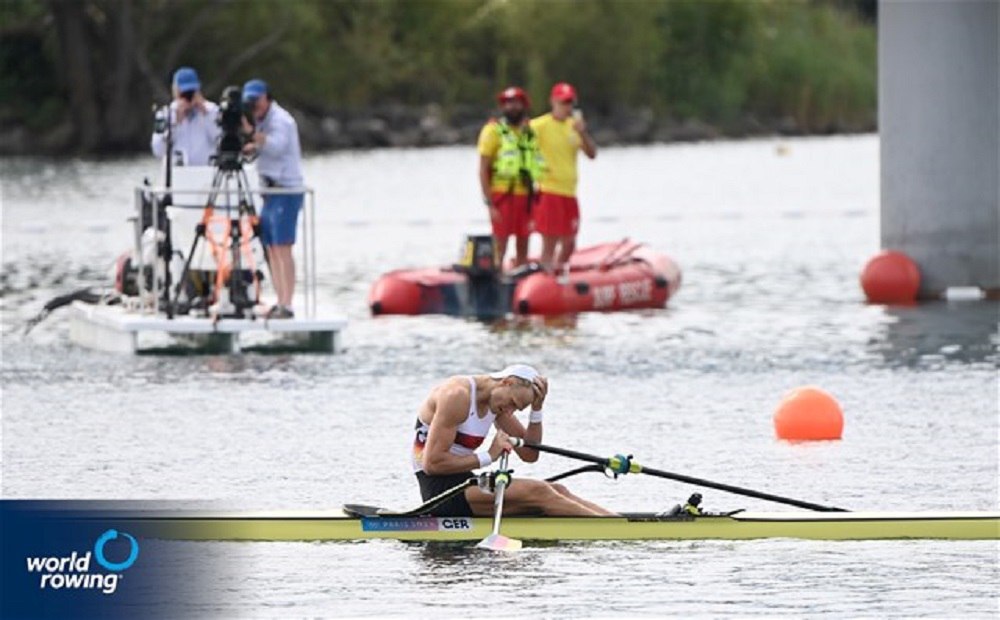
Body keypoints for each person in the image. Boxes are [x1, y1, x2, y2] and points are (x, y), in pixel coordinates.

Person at [411, 364, 615, 517]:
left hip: (464, 482)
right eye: (513, 404)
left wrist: (537, 410)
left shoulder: (497, 401)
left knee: (557, 489)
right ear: (506, 382)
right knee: (539, 491)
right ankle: (614, 532)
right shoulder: (456, 395)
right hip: (439, 492)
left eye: (517, 409)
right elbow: (432, 465)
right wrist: (489, 455)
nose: (510, 412)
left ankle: (619, 522)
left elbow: (529, 454)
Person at [241, 79, 304, 319]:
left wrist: (253, 135)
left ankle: (287, 303)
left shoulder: (281, 120)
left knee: (283, 246)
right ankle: (280, 300)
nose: (254, 105)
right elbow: (264, 149)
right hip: (269, 191)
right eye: (251, 101)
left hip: (286, 190)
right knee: (271, 247)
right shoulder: (260, 121)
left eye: (257, 100)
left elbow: (277, 147)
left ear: (267, 97)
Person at [530, 82, 597, 275]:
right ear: (553, 102)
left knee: (569, 242)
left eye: (570, 102)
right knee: (549, 241)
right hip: (549, 189)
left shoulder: (574, 127)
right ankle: (546, 273)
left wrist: (582, 132)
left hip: (569, 192)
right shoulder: (539, 125)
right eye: (563, 102)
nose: (567, 106)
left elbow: (592, 154)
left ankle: (557, 273)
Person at [477, 87, 544, 268]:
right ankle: (496, 275)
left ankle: (519, 276)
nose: (512, 107)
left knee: (524, 241)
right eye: (508, 103)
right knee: (500, 242)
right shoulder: (493, 131)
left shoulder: (530, 131)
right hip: (502, 195)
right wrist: (490, 203)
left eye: (516, 103)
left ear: (524, 105)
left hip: (526, 196)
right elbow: (483, 169)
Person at [150, 67, 220, 166]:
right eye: (184, 93)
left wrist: (206, 116)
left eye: (191, 93)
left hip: (206, 172)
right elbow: (158, 150)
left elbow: (220, 140)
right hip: (176, 173)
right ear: (175, 91)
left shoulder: (212, 110)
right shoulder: (165, 114)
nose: (188, 97)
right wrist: (175, 123)